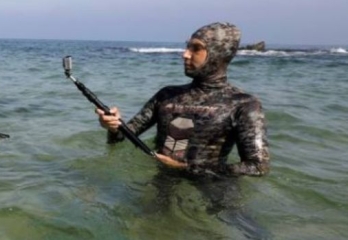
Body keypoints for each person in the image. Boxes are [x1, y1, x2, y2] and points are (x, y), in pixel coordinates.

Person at [96, 22, 269, 177]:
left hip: (213, 188)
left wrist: (187, 168)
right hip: (163, 181)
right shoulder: (167, 95)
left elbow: (258, 166)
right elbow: (121, 139)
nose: (185, 54)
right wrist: (112, 127)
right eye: (187, 47)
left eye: (196, 48)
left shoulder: (243, 104)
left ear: (218, 54)